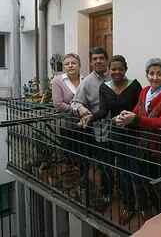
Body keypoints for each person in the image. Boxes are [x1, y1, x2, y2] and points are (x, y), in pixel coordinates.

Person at [116, 58, 161, 223]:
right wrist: (124, 116)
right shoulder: (145, 91)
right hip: (146, 148)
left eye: (159, 73)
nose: (155, 77)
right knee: (151, 184)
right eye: (151, 73)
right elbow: (137, 110)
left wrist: (136, 120)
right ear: (147, 75)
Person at [80, 55, 142, 222]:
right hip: (116, 133)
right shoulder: (104, 88)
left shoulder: (135, 85)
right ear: (110, 70)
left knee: (137, 169)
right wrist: (90, 117)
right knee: (122, 170)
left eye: (120, 69)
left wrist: (132, 117)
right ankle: (129, 206)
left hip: (134, 132)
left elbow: (141, 109)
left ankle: (142, 205)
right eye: (113, 69)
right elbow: (103, 111)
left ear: (125, 69)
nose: (116, 72)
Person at [71, 47, 113, 202]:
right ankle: (107, 192)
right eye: (94, 59)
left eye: (101, 58)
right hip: (101, 132)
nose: (98, 61)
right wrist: (81, 109)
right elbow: (74, 103)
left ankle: (124, 192)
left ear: (107, 60)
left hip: (120, 130)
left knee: (122, 165)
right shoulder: (87, 82)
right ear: (90, 62)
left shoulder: (115, 75)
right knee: (105, 165)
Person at [51, 53, 83, 164]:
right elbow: (58, 104)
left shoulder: (85, 80)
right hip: (68, 125)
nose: (70, 66)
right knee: (72, 156)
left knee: (86, 154)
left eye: (74, 63)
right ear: (64, 67)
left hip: (85, 124)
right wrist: (78, 109)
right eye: (67, 64)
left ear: (79, 65)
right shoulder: (58, 81)